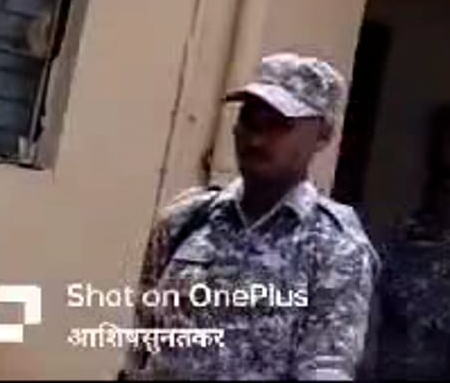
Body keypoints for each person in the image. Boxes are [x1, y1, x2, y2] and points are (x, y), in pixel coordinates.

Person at [125, 52, 377, 381]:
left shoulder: (336, 246)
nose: (256, 139)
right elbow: (143, 343)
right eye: (249, 120)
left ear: (322, 136)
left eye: (279, 125)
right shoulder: (185, 220)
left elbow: (324, 368)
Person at [374, 167, 450, 380]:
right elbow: (386, 274)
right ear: (429, 192)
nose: (447, 199)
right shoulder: (404, 231)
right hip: (401, 336)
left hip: (434, 340)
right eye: (442, 191)